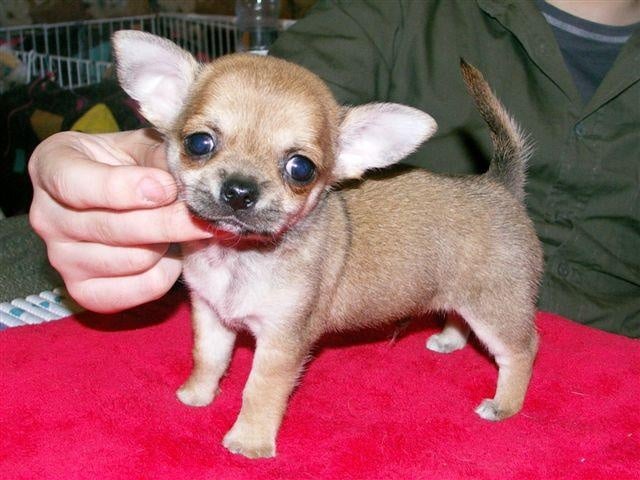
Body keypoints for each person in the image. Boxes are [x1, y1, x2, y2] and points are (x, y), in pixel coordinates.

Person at [28, 0, 639, 336]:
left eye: (299, 168)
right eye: (201, 143)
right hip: (398, 354)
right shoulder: (391, 14)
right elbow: (259, 101)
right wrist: (133, 168)